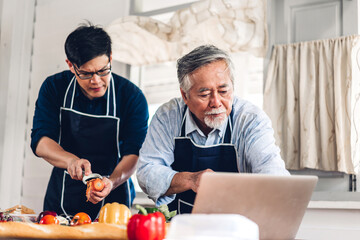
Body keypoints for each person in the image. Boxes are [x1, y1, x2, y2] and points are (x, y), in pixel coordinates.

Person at [136, 45, 290, 214]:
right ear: (185, 95)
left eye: (223, 91)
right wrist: (191, 179)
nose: (216, 102)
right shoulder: (167, 117)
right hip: (180, 226)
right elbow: (147, 171)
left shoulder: (250, 120)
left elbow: (272, 172)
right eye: (204, 94)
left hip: (236, 226)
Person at [31, 22, 148, 220]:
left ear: (110, 58)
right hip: (63, 197)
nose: (96, 81)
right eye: (86, 73)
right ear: (71, 65)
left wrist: (111, 182)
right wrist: (71, 161)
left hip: (114, 194)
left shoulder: (131, 97)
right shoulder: (54, 87)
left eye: (103, 70)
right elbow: (41, 141)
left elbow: (134, 153)